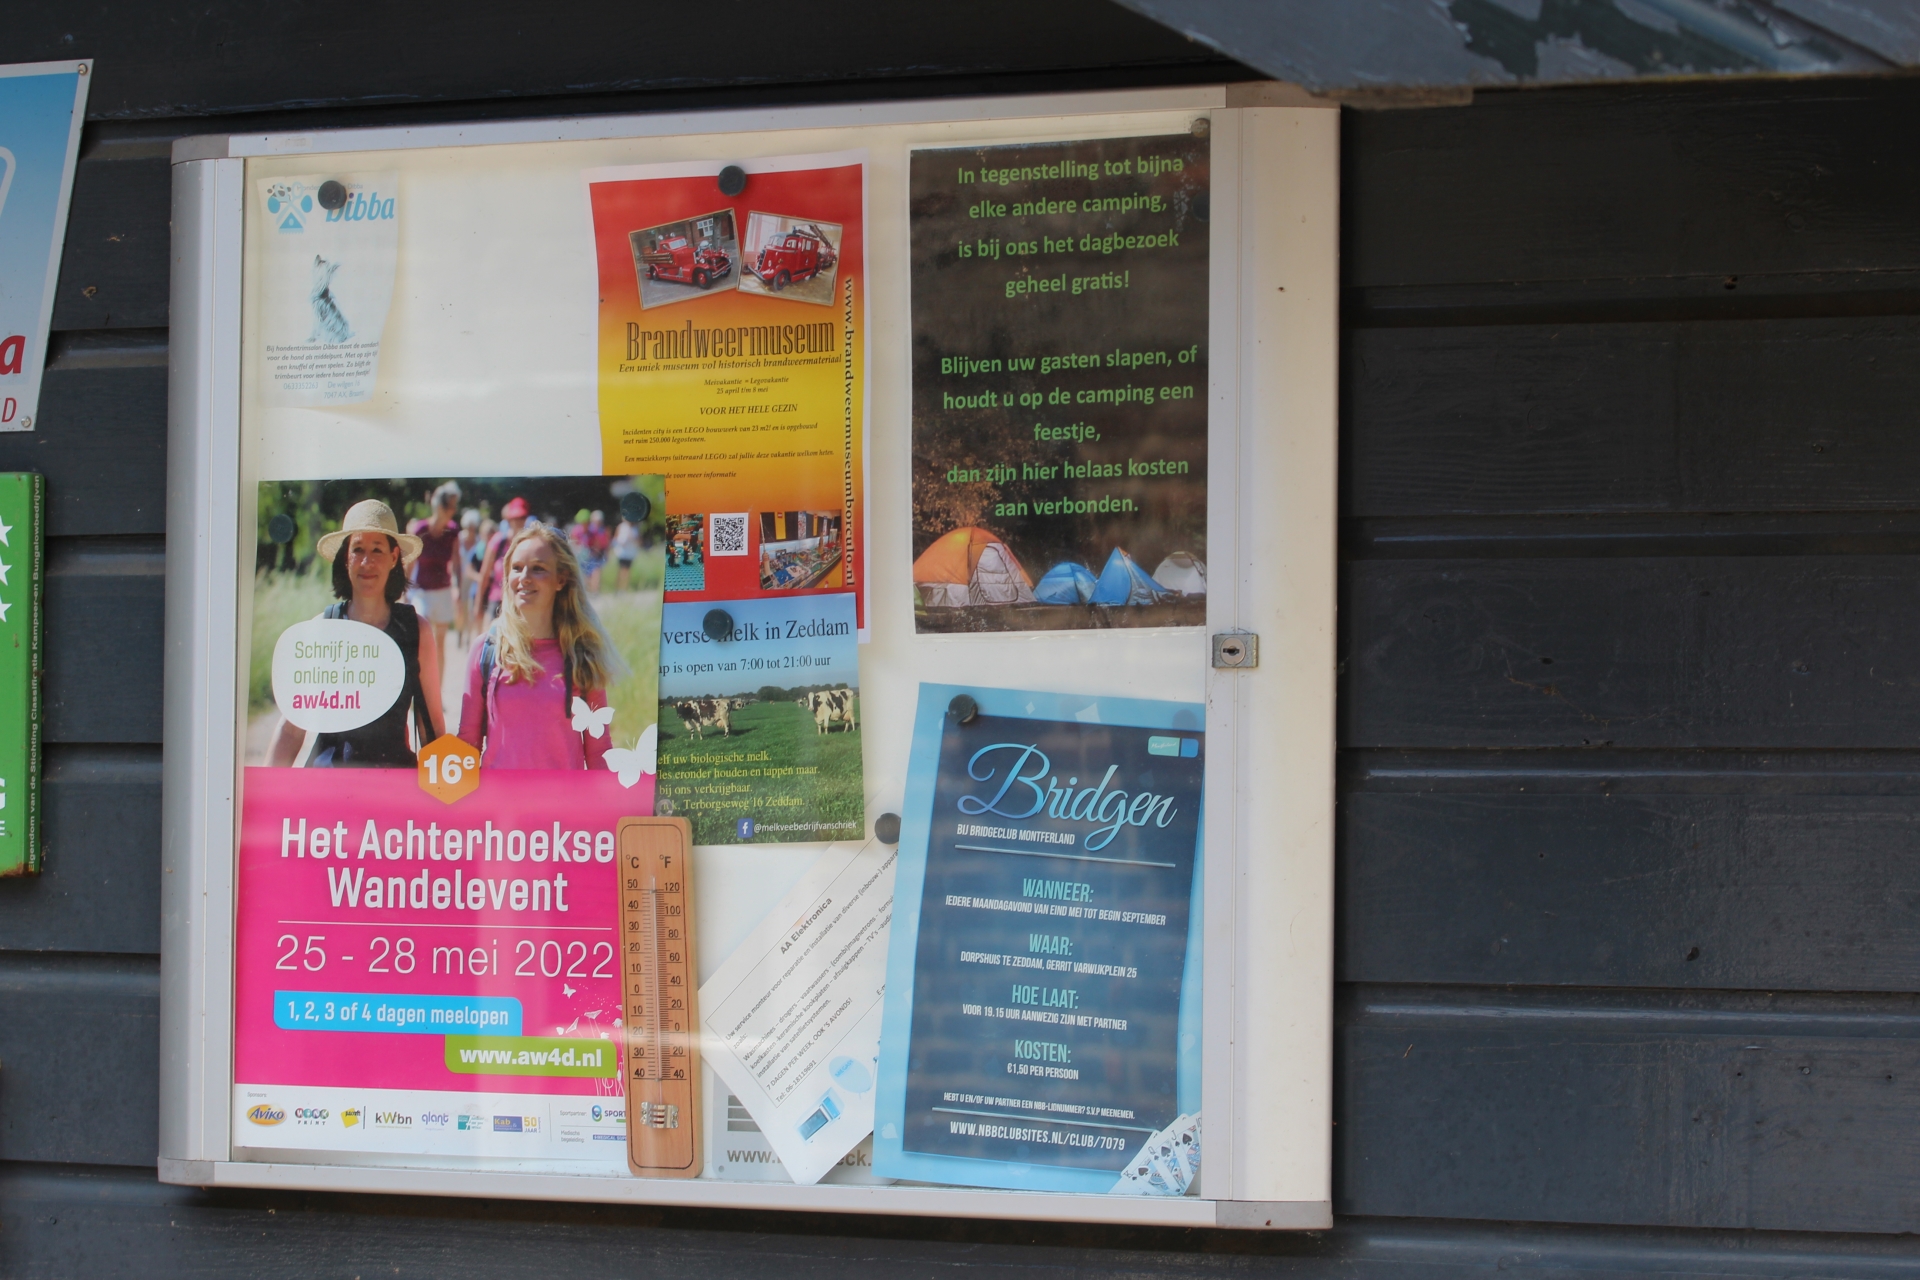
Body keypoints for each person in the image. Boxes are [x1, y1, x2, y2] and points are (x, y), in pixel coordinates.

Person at [269, 499, 444, 767]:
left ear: (394, 557)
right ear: (345, 557)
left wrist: (445, 786)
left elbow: (431, 727)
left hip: (393, 781)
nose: (366, 561)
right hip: (329, 783)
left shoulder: (416, 631)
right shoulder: (323, 629)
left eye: (377, 550)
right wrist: (265, 789)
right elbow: (292, 729)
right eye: (358, 549)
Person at [458, 523, 623, 770]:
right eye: (516, 568)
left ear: (561, 579)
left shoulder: (582, 655)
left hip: (564, 796)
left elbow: (599, 752)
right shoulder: (487, 650)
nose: (524, 578)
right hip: (498, 796)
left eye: (538, 569)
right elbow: (466, 745)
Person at [406, 482, 462, 654]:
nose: (451, 511)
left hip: (443, 591)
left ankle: (438, 674)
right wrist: (404, 591)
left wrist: (457, 589)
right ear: (438, 505)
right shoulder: (420, 530)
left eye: (453, 507)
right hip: (422, 592)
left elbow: (456, 563)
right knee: (424, 636)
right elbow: (410, 562)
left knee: (440, 642)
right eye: (448, 506)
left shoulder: (453, 531)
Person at [471, 496, 529, 630]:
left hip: (519, 602)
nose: (518, 522)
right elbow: (484, 574)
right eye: (515, 518)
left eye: (522, 517)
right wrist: (478, 605)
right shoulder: (498, 541)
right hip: (497, 602)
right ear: (509, 520)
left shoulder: (529, 544)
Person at [611, 515, 640, 591]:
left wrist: (633, 539)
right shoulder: (621, 527)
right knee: (621, 571)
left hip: (630, 554)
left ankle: (624, 589)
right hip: (621, 553)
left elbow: (639, 542)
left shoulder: (634, 529)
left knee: (627, 572)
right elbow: (615, 539)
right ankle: (618, 588)